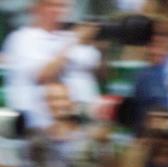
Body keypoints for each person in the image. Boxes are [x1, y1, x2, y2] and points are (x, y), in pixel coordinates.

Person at [2, 0, 102, 130]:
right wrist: (74, 41)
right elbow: (44, 75)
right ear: (36, 8)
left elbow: (95, 66)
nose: (58, 11)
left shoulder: (70, 36)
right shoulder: (22, 38)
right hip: (39, 129)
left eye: (62, 6)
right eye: (51, 5)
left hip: (79, 126)